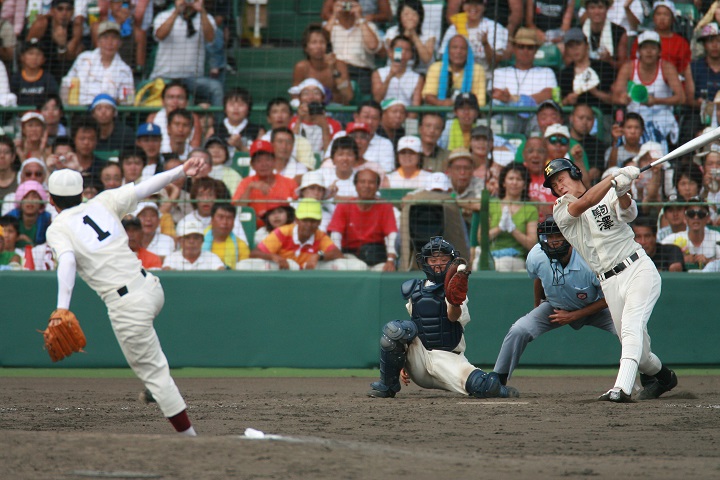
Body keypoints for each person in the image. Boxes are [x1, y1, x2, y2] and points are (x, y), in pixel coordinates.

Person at [45, 157, 206, 435]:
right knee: (150, 363)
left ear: (50, 200)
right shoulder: (102, 201)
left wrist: (62, 308)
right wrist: (182, 170)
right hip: (151, 288)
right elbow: (147, 187)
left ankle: (191, 439)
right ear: (83, 193)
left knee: (156, 375)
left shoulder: (57, 227)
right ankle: (156, 383)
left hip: (128, 305)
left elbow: (68, 262)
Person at [544, 157, 678, 402]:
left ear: (575, 173)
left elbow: (627, 212)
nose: (558, 187)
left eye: (560, 179)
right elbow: (586, 201)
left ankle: (622, 388)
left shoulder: (607, 193)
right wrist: (614, 179)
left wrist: (624, 189)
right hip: (608, 282)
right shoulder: (560, 208)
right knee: (641, 351)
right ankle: (664, 377)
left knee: (630, 329)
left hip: (637, 268)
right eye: (553, 185)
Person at [367, 236, 517, 399]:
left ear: (451, 261)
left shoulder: (457, 289)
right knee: (395, 331)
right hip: (420, 358)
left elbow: (453, 318)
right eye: (433, 260)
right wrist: (401, 362)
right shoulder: (415, 289)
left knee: (485, 387)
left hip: (447, 357)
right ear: (425, 262)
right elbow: (413, 328)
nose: (438, 264)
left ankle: (500, 389)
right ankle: (387, 385)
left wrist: (454, 301)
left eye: (443, 259)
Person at [493, 216, 616, 386]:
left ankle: (649, 374)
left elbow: (609, 298)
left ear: (570, 236)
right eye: (550, 237)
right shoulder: (537, 255)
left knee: (628, 330)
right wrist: (538, 305)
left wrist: (573, 316)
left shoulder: (590, 258)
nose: (554, 241)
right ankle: (498, 381)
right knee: (519, 330)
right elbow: (538, 278)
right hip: (556, 307)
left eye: (558, 236)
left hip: (595, 308)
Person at [612, 31, 685, 150]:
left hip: (661, 115)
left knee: (654, 130)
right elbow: (615, 97)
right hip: (635, 116)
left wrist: (656, 101)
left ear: (659, 51)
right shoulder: (628, 67)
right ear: (639, 51)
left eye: (653, 48)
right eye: (645, 48)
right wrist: (622, 98)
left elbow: (681, 98)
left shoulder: (667, 68)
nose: (649, 51)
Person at [242, 198, 352, 270]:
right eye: (305, 220)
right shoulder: (282, 232)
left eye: (313, 221)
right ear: (297, 220)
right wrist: (273, 256)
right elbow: (254, 253)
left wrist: (319, 255)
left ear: (319, 222)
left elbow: (338, 254)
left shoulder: (320, 235)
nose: (309, 225)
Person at [150, 0, 223, 107]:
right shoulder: (163, 15)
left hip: (193, 78)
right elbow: (160, 35)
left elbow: (210, 38)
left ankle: (218, 123)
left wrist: (202, 11)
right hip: (164, 77)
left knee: (216, 88)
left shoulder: (207, 18)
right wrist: (176, 12)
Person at [327, 167, 398, 271]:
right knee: (356, 267)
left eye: (371, 182)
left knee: (386, 271)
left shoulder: (385, 206)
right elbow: (336, 233)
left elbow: (392, 234)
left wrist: (391, 260)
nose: (366, 186)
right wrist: (339, 257)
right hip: (349, 255)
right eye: (362, 182)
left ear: (378, 186)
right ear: (356, 185)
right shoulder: (344, 206)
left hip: (375, 256)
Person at [492, 28, 556, 133]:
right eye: (521, 47)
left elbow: (548, 94)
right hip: (509, 116)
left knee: (544, 122)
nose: (525, 51)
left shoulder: (546, 72)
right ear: (514, 49)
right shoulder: (499, 72)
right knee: (498, 122)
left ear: (536, 50)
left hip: (535, 116)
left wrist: (513, 99)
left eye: (530, 48)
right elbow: (497, 95)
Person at [480, 163, 538, 272]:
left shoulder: (530, 210)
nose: (514, 182)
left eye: (519, 179)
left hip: (514, 258)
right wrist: (500, 228)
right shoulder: (492, 205)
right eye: (511, 178)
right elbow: (481, 238)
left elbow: (532, 244)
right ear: (503, 183)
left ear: (525, 184)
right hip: (490, 255)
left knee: (500, 266)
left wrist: (513, 229)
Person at [61, 21, 134, 106]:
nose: (109, 42)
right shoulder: (84, 59)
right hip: (80, 112)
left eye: (114, 38)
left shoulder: (125, 70)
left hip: (108, 114)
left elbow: (129, 100)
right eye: (105, 37)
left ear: (120, 43)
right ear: (98, 41)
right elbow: (66, 84)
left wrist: (118, 101)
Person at [231, 140, 298, 226]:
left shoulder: (289, 183)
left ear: (274, 162)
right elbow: (237, 210)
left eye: (267, 159)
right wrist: (249, 188)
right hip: (255, 230)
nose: (263, 164)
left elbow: (297, 210)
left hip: (284, 230)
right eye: (258, 161)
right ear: (252, 165)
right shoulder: (246, 183)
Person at [323, 0, 383, 96]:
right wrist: (334, 15)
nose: (346, 6)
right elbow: (321, 43)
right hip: (334, 71)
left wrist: (360, 17)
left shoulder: (368, 26)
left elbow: (372, 46)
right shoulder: (329, 26)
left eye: (350, 3)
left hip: (361, 73)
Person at [558, 28, 615, 119]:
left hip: (602, 118)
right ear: (566, 50)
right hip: (575, 121)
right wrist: (567, 101)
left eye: (578, 44)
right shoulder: (564, 74)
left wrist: (595, 92)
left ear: (587, 45)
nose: (575, 49)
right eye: (570, 46)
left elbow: (616, 99)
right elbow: (559, 104)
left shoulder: (604, 68)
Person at [439, 0, 508, 73]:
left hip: (486, 76)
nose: (473, 7)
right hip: (459, 76)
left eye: (478, 3)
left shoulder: (494, 27)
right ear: (463, 6)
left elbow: (495, 62)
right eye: (469, 3)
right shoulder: (454, 28)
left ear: (484, 7)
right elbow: (444, 57)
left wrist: (485, 44)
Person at [293, 24, 353, 106]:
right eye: (314, 42)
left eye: (322, 42)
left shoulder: (339, 65)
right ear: (306, 48)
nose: (319, 46)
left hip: (335, 110)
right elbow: (295, 96)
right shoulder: (301, 67)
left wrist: (334, 70)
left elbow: (348, 96)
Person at [629, 1, 690, 80]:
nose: (662, 18)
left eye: (666, 15)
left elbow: (685, 70)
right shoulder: (642, 39)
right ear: (653, 17)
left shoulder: (681, 43)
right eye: (658, 14)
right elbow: (633, 64)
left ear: (673, 19)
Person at [422, 35, 487, 107]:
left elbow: (480, 102)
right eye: (454, 47)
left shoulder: (478, 70)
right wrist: (442, 103)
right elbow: (428, 96)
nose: (458, 51)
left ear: (468, 52)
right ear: (447, 50)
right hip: (439, 113)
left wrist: (459, 106)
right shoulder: (436, 67)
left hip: (467, 113)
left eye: (463, 48)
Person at [26, 0, 84, 81]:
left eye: (68, 9)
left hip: (64, 71)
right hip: (41, 69)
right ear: (52, 11)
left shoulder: (76, 28)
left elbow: (69, 58)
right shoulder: (41, 24)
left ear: (73, 11)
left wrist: (62, 45)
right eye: (60, 9)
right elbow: (26, 50)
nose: (64, 13)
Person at [661, 198, 720, 271]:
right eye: (691, 214)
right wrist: (680, 260)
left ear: (707, 218)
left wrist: (709, 261)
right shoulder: (672, 238)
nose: (696, 217)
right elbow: (657, 258)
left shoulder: (716, 236)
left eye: (701, 214)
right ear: (685, 218)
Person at [289, 78, 343, 155]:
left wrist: (324, 126)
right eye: (306, 93)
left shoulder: (334, 124)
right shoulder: (291, 122)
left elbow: (331, 154)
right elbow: (290, 149)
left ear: (323, 98)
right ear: (299, 98)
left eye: (316, 93)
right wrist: (299, 120)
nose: (311, 97)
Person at [145, 81, 203, 153]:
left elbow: (195, 148)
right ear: (163, 101)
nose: (175, 102)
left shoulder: (194, 118)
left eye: (180, 98)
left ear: (187, 102)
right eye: (170, 97)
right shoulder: (153, 118)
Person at [383, 0, 436, 74]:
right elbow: (397, 58)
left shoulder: (429, 34)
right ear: (399, 16)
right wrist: (405, 36)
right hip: (397, 72)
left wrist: (413, 35)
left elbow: (426, 59)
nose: (410, 18)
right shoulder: (392, 33)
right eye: (406, 14)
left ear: (420, 16)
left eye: (414, 14)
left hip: (422, 74)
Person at [208, 88, 264, 156]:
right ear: (225, 108)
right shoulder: (214, 130)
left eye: (241, 105)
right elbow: (206, 154)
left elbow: (261, 157)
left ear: (248, 108)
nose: (236, 108)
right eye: (232, 105)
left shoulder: (258, 131)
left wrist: (241, 146)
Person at [372, 36, 424, 108]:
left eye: (407, 50)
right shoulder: (378, 73)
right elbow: (377, 100)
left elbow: (415, 107)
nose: (403, 53)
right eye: (399, 49)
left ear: (411, 54)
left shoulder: (417, 78)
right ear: (390, 52)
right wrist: (390, 75)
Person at [579, 0, 628, 70]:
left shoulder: (619, 32)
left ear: (607, 9)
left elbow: (623, 65)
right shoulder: (579, 32)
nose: (597, 12)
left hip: (608, 74)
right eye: (592, 8)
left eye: (600, 7)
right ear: (587, 10)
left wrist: (609, 60)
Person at [10, 38, 59, 107]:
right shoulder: (15, 79)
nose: (34, 57)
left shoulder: (49, 79)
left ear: (43, 59)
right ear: (22, 57)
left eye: (38, 54)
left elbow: (53, 101)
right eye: (30, 53)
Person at [203, 202, 250, 270]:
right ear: (212, 220)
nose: (225, 222)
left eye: (229, 218)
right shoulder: (197, 241)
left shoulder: (241, 246)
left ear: (234, 222)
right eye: (220, 217)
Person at [6, 180, 51, 247]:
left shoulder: (47, 221)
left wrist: (28, 241)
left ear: (41, 202)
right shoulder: (9, 219)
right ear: (20, 201)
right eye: (25, 197)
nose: (30, 200)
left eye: (35, 197)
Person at [569, 104, 606, 183]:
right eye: (581, 118)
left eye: (589, 119)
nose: (585, 122)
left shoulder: (597, 145)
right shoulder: (562, 140)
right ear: (571, 118)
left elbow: (593, 174)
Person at [445, 148, 483, 225]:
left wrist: (452, 202)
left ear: (472, 170)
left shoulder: (479, 183)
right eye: (457, 168)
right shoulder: (443, 182)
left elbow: (480, 204)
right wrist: (468, 205)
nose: (462, 172)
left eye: (467, 168)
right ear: (449, 170)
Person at [71, 116, 104, 187]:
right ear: (74, 139)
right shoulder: (67, 165)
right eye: (82, 139)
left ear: (96, 141)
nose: (86, 143)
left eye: (91, 139)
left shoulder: (103, 167)